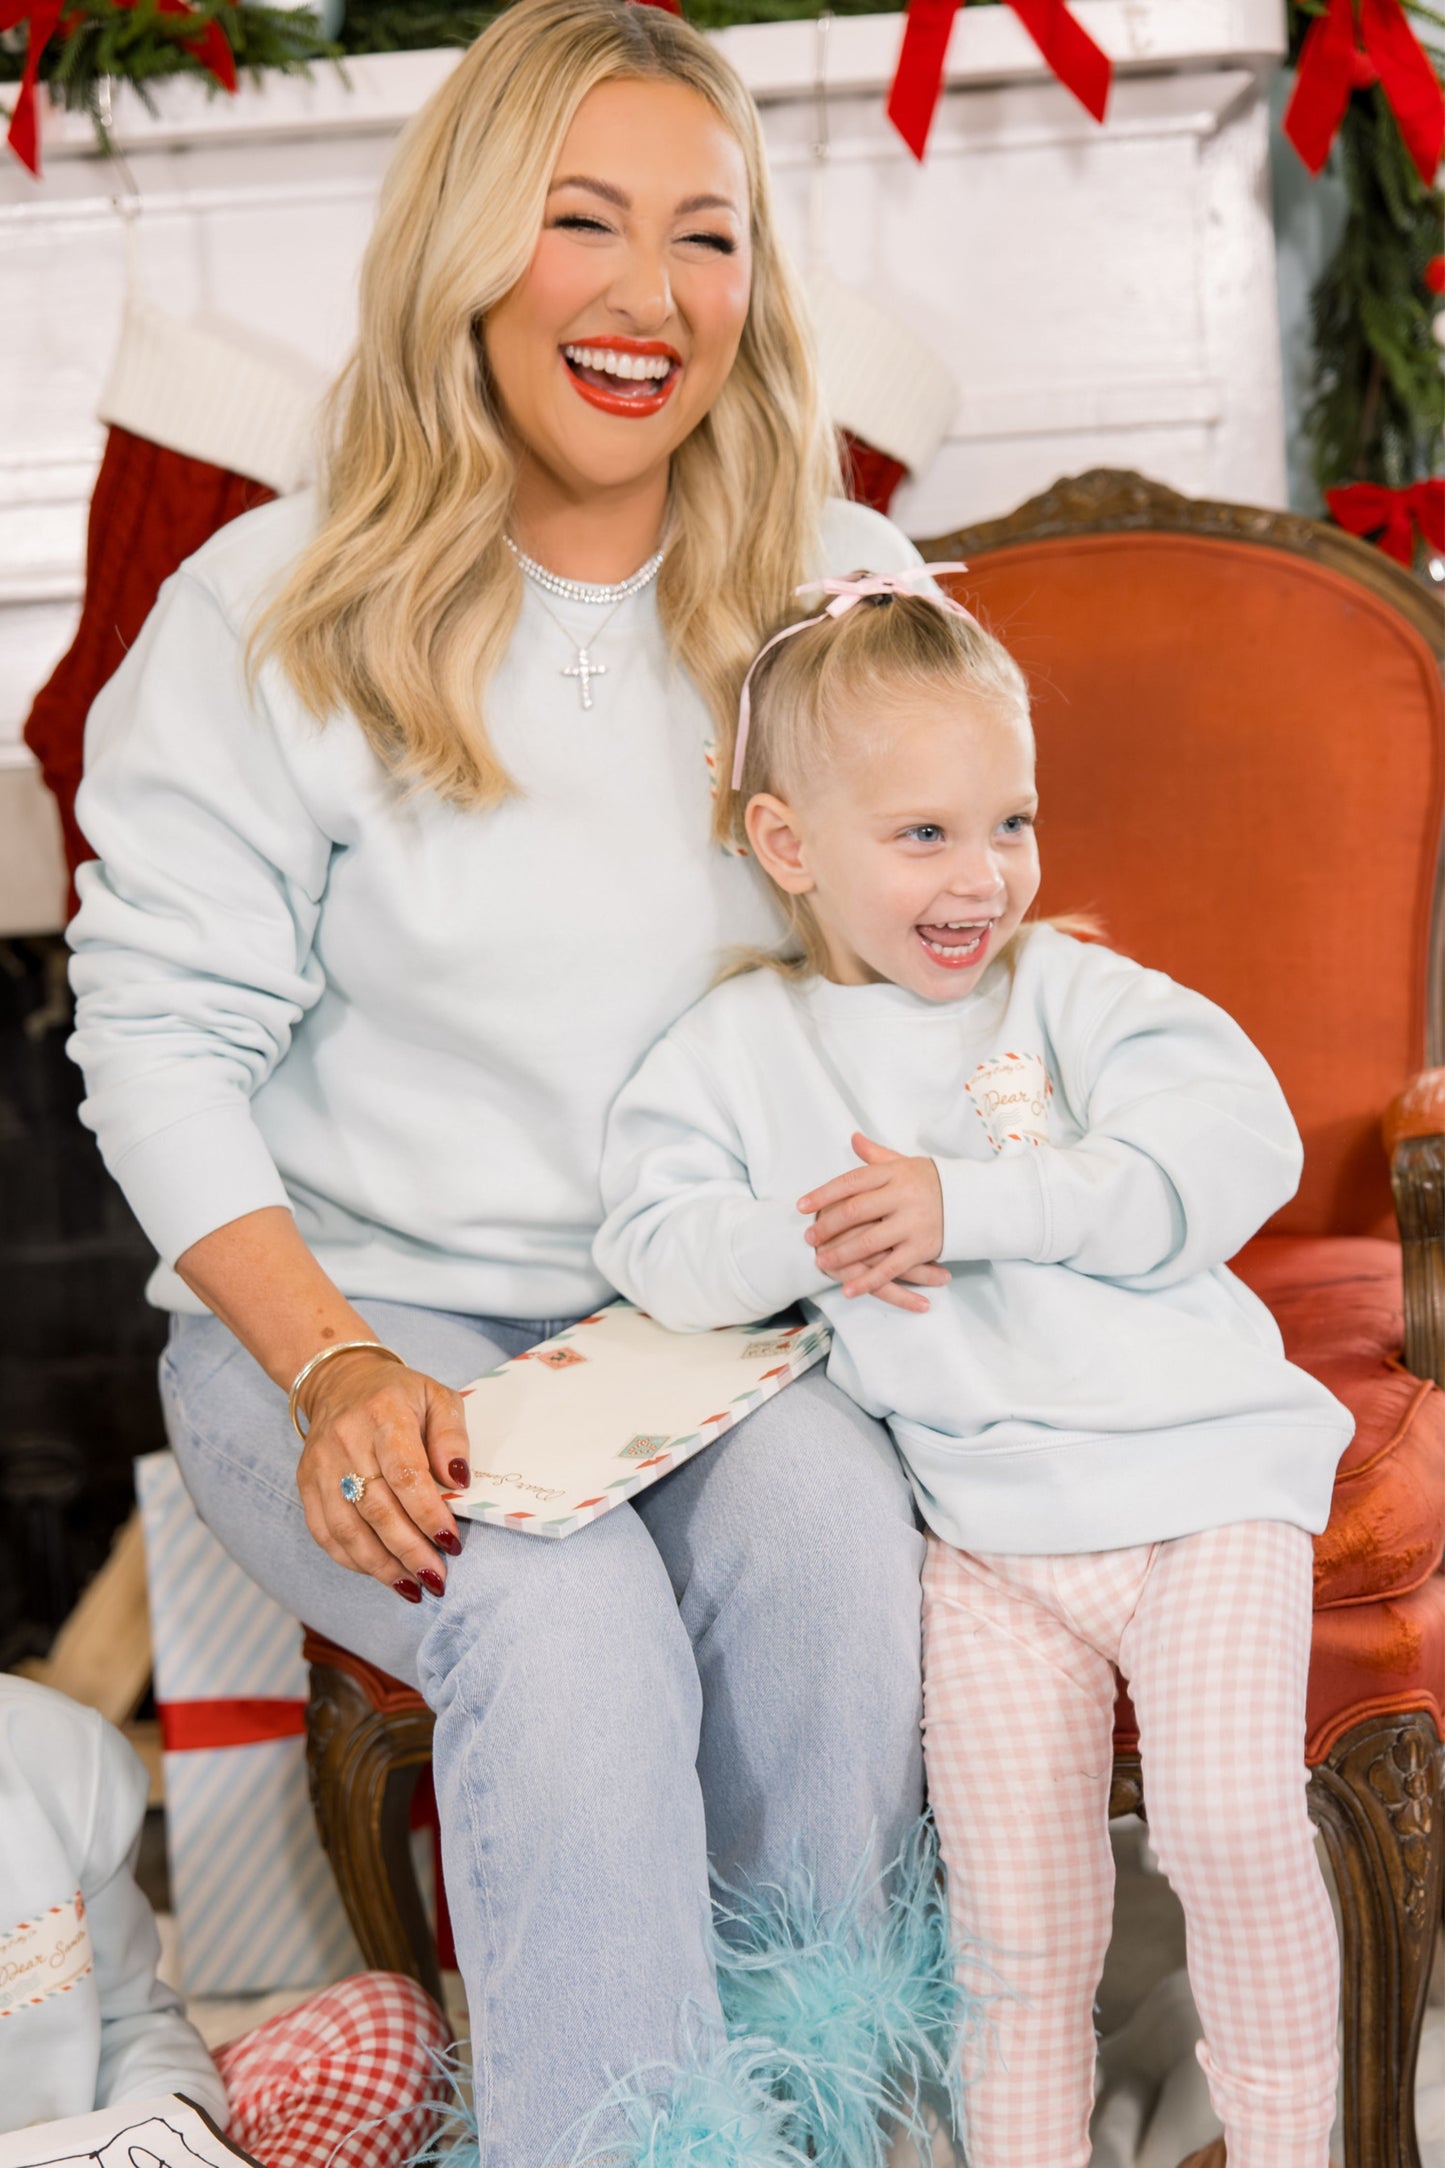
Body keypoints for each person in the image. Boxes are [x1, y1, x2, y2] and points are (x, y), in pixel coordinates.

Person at [65, 3, 946, 2160]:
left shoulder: (834, 591)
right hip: (348, 1324)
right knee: (549, 1621)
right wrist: (343, 1365)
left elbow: (952, 931)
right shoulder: (262, 609)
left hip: (711, 1332)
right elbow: (153, 1037)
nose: (649, 298)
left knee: (836, 1540)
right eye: (581, 222)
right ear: (471, 247)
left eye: (703, 237)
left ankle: (815, 2115)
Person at [593, 572, 1356, 2168]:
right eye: (924, 834)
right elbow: (655, 1244)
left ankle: (1297, 2141)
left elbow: (1238, 1150)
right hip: (988, 1542)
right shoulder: (737, 1055)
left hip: (1201, 1488)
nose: (984, 875)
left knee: (1225, 1824)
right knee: (1016, 1920)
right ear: (788, 846)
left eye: (1009, 821)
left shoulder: (1073, 998)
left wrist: (972, 1201)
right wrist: (811, 1242)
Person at [0, 1672, 447, 2165]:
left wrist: (165, 2143)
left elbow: (129, 2025)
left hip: (93, 2148)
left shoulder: (61, 1754)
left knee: (388, 2025)